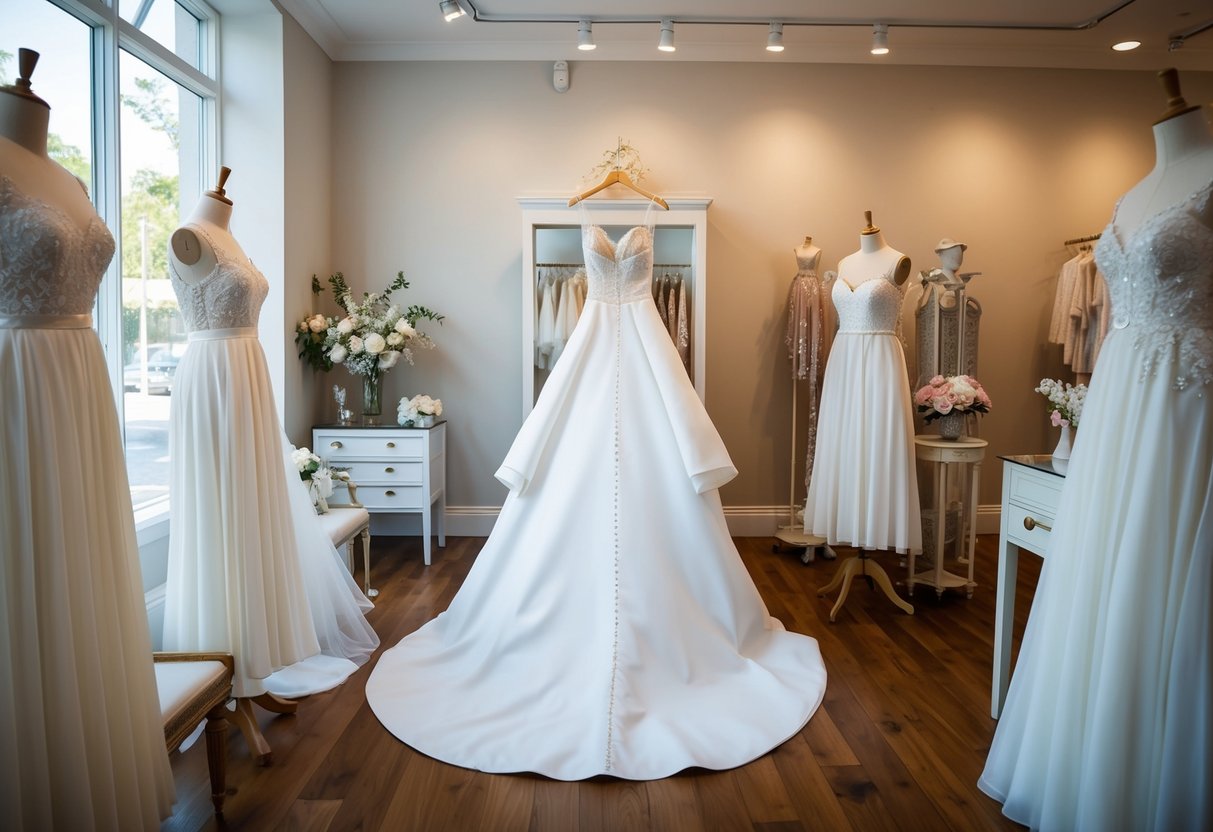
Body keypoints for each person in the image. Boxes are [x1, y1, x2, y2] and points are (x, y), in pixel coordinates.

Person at [366, 201, 827, 780]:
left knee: (659, 475)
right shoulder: (608, 241)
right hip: (596, 346)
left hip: (642, 347)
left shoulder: (646, 233)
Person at [979, 69, 1212, 832]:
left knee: (1166, 571)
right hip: (1120, 398)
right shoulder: (1128, 196)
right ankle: (1088, 754)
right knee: (1103, 572)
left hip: (1184, 404)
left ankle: (1155, 771)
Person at [0, 49, 174, 829]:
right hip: (19, 376)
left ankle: (84, 754)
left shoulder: (67, 179)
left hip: (79, 376)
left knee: (77, 559)